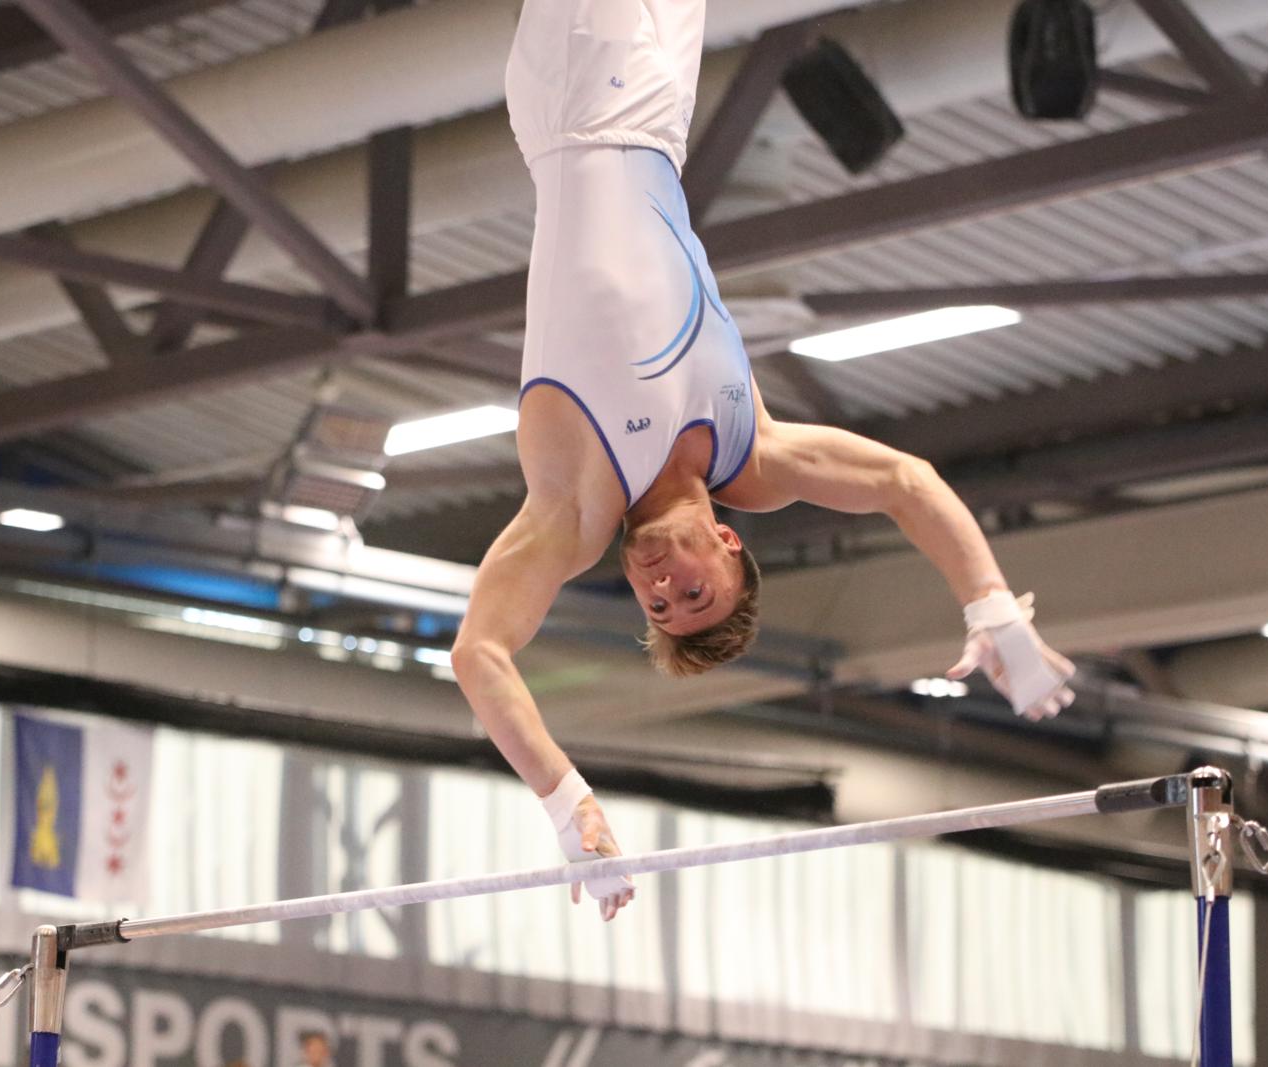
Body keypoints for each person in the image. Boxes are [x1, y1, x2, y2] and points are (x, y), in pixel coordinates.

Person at [450, 0, 1077, 922]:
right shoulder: (758, 453)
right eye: (691, 593)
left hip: (579, 98)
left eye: (657, 606)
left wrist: (566, 801)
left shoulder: (576, 509)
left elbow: (479, 652)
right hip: (660, 119)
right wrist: (992, 605)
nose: (660, 586)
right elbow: (905, 482)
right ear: (730, 546)